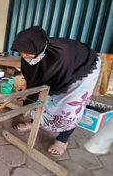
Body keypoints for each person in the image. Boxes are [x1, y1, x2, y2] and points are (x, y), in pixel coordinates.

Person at [11, 26, 101, 155]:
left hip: (83, 67)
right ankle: (34, 123)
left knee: (68, 105)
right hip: (60, 68)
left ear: (39, 48)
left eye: (26, 53)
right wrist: (26, 89)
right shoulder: (30, 51)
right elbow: (31, 77)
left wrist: (33, 94)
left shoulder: (61, 57)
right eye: (21, 52)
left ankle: (63, 139)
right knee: (39, 97)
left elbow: (53, 87)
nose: (23, 56)